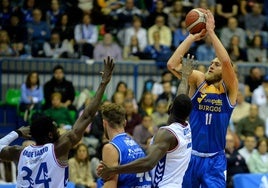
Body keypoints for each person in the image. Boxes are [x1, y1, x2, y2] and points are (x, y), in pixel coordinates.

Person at [0, 56, 114, 187]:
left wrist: (18, 132)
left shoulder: (20, 152)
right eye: (55, 127)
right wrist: (103, 83)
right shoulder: (58, 148)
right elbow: (87, 116)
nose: (58, 130)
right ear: (50, 134)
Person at [97, 54, 194, 187]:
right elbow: (181, 96)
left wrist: (113, 169)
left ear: (169, 108)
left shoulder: (167, 134)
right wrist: (184, 77)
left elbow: (148, 163)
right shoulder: (185, 127)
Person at [167, 10, 238, 188]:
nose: (212, 64)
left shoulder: (229, 89)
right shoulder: (199, 80)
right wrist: (192, 37)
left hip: (215, 160)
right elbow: (172, 64)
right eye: (211, 62)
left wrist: (212, 33)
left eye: (216, 64)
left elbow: (227, 62)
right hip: (191, 155)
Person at [96, 103, 152, 187]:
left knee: (99, 182)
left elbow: (110, 186)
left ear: (104, 123)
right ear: (125, 123)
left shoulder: (110, 148)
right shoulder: (134, 143)